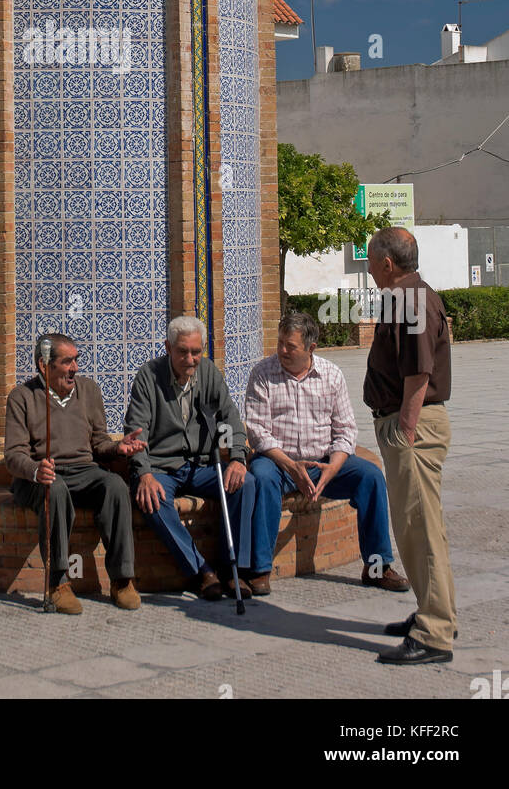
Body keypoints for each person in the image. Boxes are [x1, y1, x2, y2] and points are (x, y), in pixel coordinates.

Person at [245, 310, 409, 596]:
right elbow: (258, 432)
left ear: (311, 348)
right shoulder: (262, 374)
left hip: (322, 463)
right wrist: (289, 465)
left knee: (371, 477)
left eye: (290, 346)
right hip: (278, 461)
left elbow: (345, 430)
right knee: (260, 478)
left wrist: (333, 467)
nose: (282, 350)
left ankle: (377, 566)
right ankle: (259, 569)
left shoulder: (331, 374)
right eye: (280, 342)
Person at [365, 227, 456, 664]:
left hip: (413, 428)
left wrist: (406, 427)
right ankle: (430, 611)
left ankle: (435, 633)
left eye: (369, 259)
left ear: (387, 262)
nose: (367, 266)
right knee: (413, 527)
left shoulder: (411, 298)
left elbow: (419, 370)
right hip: (408, 426)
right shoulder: (407, 295)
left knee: (421, 529)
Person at [4, 332, 145, 615]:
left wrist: (119, 448)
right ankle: (57, 582)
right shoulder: (22, 397)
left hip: (84, 470)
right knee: (54, 489)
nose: (75, 368)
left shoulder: (89, 390)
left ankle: (121, 579)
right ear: (45, 366)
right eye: (67, 362)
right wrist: (36, 469)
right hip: (41, 477)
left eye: (76, 361)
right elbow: (14, 455)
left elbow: (99, 443)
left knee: (115, 486)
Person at [124, 316, 255, 599]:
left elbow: (231, 418)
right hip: (161, 466)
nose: (190, 359)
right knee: (153, 500)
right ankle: (202, 571)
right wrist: (144, 473)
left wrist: (237, 458)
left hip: (201, 465)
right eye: (183, 351)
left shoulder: (209, 372)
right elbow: (136, 431)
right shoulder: (149, 376)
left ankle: (233, 570)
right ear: (168, 348)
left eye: (196, 352)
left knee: (246, 483)